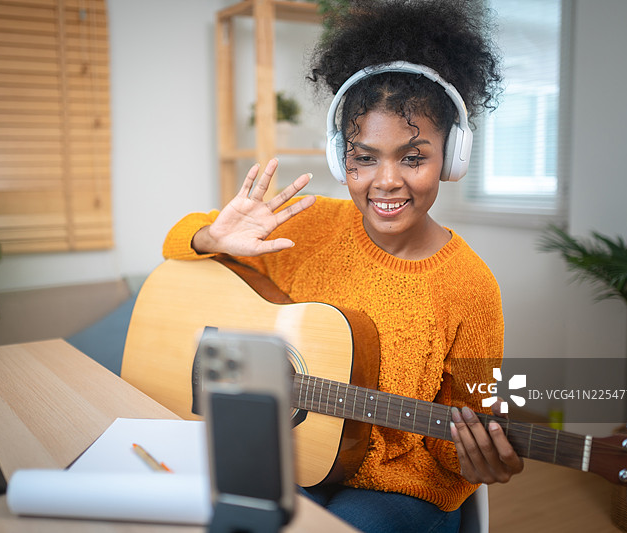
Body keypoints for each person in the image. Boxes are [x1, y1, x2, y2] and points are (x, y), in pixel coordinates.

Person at [162, 0, 523, 531]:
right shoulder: (307, 227)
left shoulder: (471, 287)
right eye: (364, 157)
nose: (386, 180)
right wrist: (210, 235)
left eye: (414, 157)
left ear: (452, 156)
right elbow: (174, 245)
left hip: (398, 490)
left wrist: (479, 456)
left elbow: (468, 429)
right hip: (290, 458)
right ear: (341, 159)